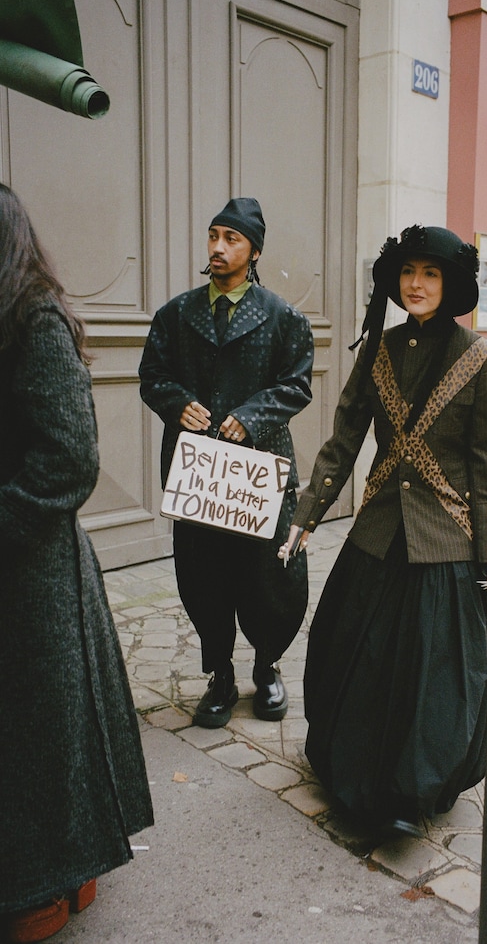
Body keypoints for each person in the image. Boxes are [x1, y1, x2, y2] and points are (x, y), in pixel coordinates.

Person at [282, 224, 487, 837]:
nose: (416, 283)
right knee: (359, 657)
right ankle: (355, 778)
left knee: (433, 674)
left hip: (446, 541)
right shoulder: (376, 350)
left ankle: (412, 791)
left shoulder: (482, 359)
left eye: (430, 273)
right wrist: (306, 516)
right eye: (409, 272)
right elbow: (345, 436)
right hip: (378, 532)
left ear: (451, 283)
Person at [0, 184, 154, 943]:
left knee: (45, 733)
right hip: (19, 565)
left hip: (33, 572)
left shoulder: (33, 319)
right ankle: (63, 873)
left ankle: (53, 884)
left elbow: (69, 460)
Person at [139, 197, 314, 728]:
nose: (217, 247)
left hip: (258, 473)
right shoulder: (175, 313)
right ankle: (219, 674)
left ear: (253, 250)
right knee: (203, 574)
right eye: (213, 235)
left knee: (269, 576)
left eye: (231, 239)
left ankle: (267, 667)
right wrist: (176, 403)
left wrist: (252, 415)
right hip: (198, 474)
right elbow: (153, 375)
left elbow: (297, 384)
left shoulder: (284, 318)